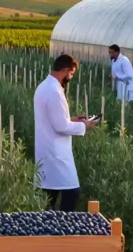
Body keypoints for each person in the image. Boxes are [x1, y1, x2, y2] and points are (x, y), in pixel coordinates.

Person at [33, 54, 98, 211]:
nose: (70, 77)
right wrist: (85, 126)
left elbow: (54, 119)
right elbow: (61, 126)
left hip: (47, 148)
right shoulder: (54, 91)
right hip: (56, 152)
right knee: (72, 192)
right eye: (71, 73)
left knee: (49, 194)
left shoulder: (44, 87)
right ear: (65, 70)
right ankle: (63, 226)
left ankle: (47, 229)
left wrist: (75, 119)